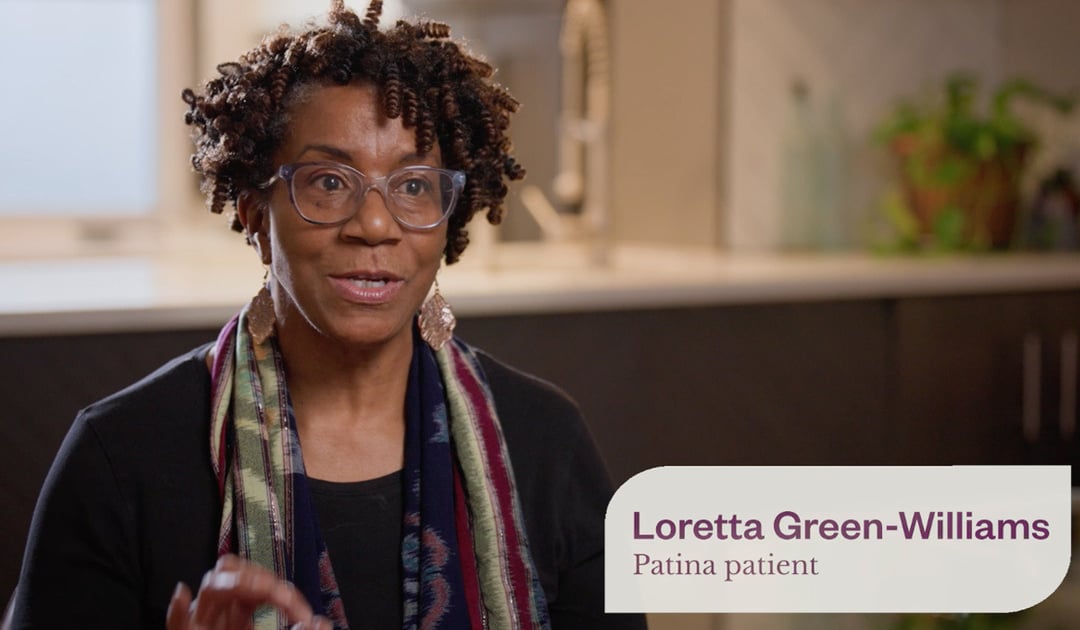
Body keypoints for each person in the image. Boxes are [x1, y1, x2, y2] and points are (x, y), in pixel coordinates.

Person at [6, 1, 646, 629]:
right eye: (330, 182)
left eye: (415, 185)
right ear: (258, 215)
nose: (374, 225)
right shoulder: (122, 457)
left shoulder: (544, 442)